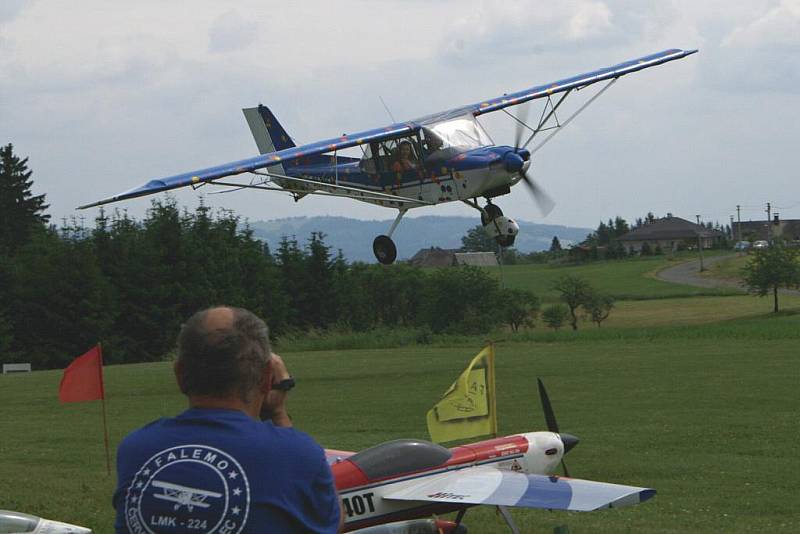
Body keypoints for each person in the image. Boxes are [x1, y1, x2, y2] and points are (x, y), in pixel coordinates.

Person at [113, 306, 342, 534]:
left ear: (180, 375)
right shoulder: (298, 453)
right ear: (266, 378)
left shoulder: (135, 447)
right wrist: (278, 413)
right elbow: (333, 522)